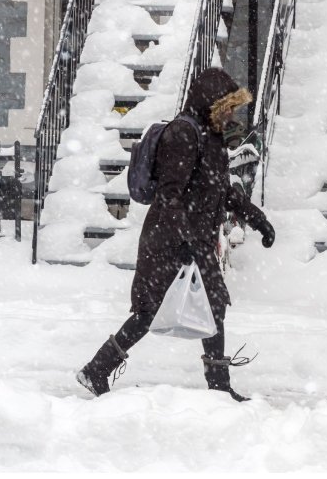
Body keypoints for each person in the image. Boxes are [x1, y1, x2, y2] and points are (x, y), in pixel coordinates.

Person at [77, 68, 276, 402]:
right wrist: (185, 242)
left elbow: (222, 191)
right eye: (228, 107)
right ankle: (98, 369)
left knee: (212, 306)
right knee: (149, 312)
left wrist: (257, 219)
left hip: (192, 239)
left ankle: (218, 387)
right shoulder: (183, 135)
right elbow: (170, 195)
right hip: (168, 240)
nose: (232, 114)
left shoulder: (211, 137)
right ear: (212, 105)